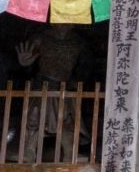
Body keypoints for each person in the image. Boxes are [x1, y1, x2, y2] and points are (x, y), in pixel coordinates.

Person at [15, 24, 86, 162]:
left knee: (68, 120)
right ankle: (29, 150)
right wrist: (24, 64)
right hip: (42, 85)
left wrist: (76, 81)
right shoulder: (40, 38)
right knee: (34, 116)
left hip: (65, 87)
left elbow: (85, 67)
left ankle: (70, 153)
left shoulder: (78, 42)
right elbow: (27, 65)